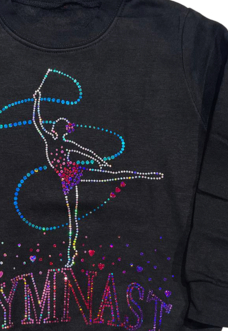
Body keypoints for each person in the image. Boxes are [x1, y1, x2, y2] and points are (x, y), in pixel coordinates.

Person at [32, 70, 164, 267]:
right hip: (68, 178)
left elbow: (84, 151)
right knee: (74, 217)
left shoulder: (59, 142)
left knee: (108, 180)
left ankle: (146, 174)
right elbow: (38, 122)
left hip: (72, 174)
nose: (64, 130)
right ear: (60, 130)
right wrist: (37, 100)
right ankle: (71, 255)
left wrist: (100, 161)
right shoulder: (53, 141)